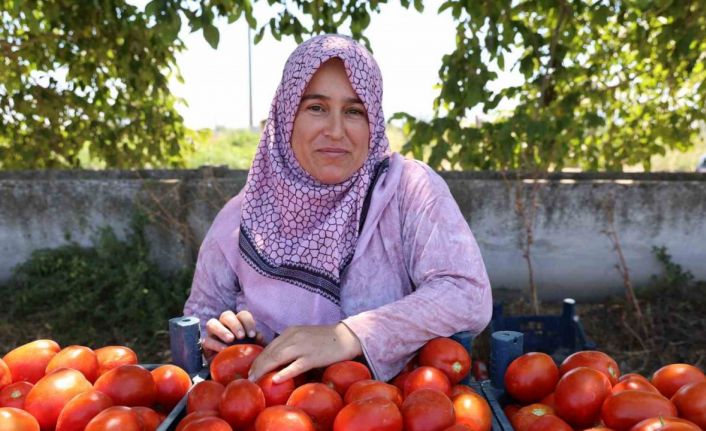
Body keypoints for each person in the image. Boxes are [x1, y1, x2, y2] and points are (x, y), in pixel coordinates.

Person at [184, 34, 492, 384]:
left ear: (373, 121)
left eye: (354, 111)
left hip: (392, 412)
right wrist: (227, 341)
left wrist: (349, 335)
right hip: (275, 415)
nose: (335, 130)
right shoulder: (240, 219)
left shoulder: (408, 191)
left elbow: (467, 294)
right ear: (287, 116)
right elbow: (199, 324)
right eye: (316, 107)